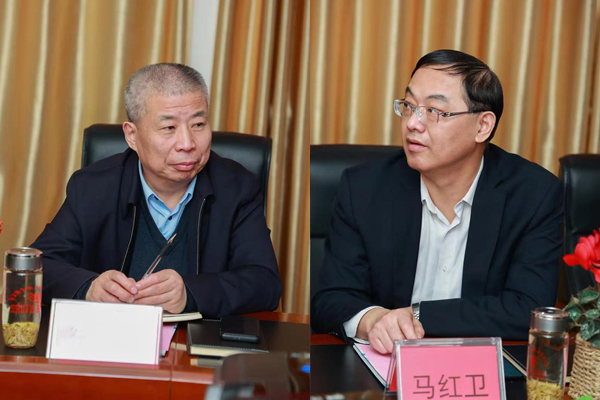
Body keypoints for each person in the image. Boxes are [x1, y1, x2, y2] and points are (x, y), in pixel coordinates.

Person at [311, 49, 563, 354]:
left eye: (434, 111)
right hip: (383, 365)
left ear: (482, 126)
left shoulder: (534, 195)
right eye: (409, 106)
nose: (413, 123)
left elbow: (529, 309)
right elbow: (330, 299)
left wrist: (416, 316)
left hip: (479, 368)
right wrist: (374, 320)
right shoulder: (364, 188)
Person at [32, 63, 281, 316]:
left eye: (198, 124)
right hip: (111, 336)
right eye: (168, 128)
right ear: (132, 135)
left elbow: (265, 283)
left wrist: (190, 294)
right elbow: (38, 267)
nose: (187, 143)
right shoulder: (93, 187)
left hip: (197, 339)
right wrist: (89, 287)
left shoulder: (237, 188)